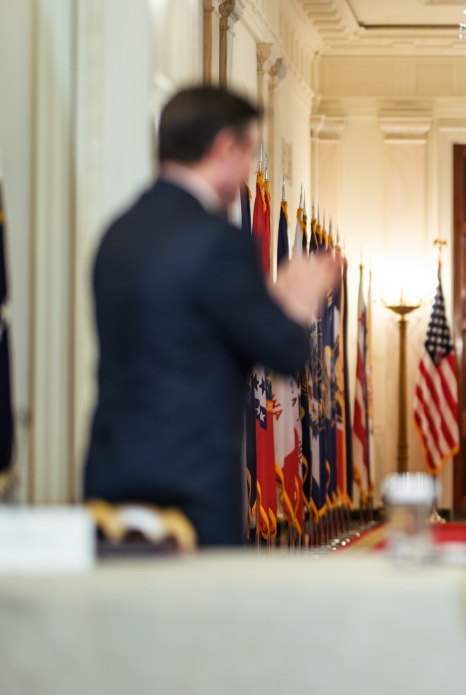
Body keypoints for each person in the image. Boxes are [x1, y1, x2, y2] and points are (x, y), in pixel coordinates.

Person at [83, 85, 339, 545]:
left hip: (111, 476)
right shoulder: (217, 241)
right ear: (224, 146)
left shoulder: (117, 233)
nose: (246, 170)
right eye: (248, 153)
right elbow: (284, 352)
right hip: (190, 487)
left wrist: (268, 303)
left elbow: (189, 336)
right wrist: (297, 301)